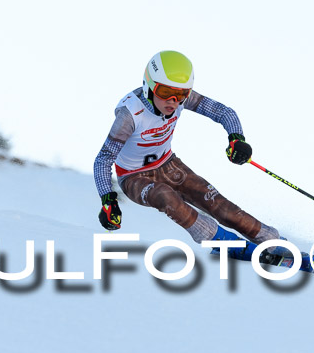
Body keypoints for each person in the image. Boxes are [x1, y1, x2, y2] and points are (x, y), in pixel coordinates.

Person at [93, 50, 281, 256]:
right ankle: (220, 240)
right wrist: (108, 200)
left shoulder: (181, 101)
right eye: (165, 92)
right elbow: (103, 160)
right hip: (133, 177)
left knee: (217, 203)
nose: (173, 101)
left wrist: (236, 138)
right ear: (149, 86)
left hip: (169, 164)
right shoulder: (129, 115)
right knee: (165, 196)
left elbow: (223, 112)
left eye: (181, 94)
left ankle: (272, 241)